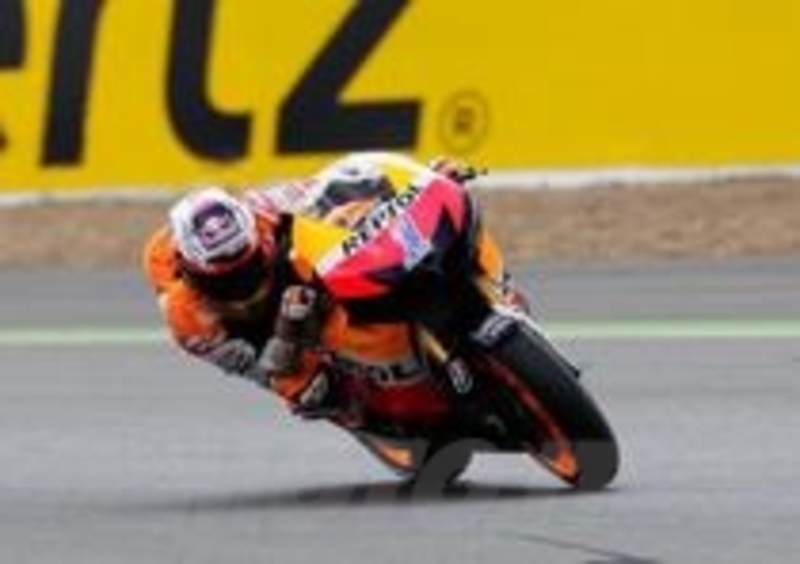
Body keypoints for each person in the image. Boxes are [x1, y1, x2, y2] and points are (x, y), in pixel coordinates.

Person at [141, 153, 503, 420]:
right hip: (262, 331)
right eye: (228, 276)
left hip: (302, 275)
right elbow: (265, 372)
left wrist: (421, 179)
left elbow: (336, 187)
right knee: (314, 393)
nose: (245, 279)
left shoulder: (265, 211)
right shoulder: (188, 317)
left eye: (249, 262)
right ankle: (377, 413)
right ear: (192, 269)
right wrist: (290, 350)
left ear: (255, 235)